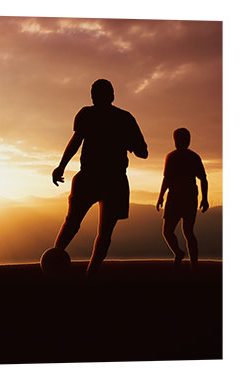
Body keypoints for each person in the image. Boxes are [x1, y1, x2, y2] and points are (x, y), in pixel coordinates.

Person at [52, 79, 148, 278]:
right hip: (113, 180)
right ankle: (90, 274)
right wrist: (129, 143)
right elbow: (143, 152)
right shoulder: (124, 118)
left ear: (93, 96)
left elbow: (75, 141)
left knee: (72, 224)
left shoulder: (87, 114)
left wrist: (61, 166)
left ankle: (54, 265)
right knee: (103, 233)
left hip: (91, 177)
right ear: (112, 96)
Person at [156, 128, 208, 272]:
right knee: (168, 231)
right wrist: (160, 196)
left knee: (187, 231)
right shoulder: (172, 157)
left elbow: (203, 178)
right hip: (176, 197)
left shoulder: (192, 157)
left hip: (187, 197)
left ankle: (194, 264)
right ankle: (180, 253)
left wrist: (205, 198)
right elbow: (166, 179)